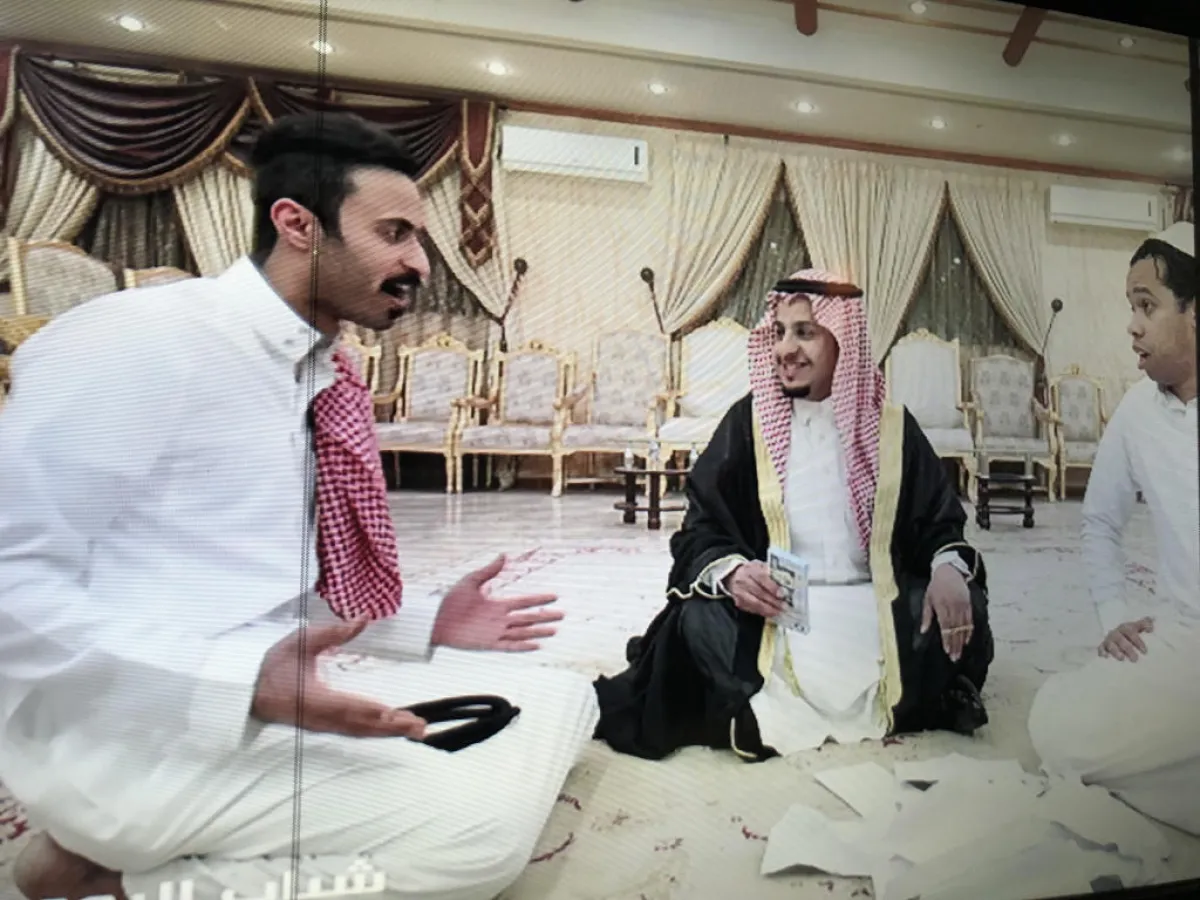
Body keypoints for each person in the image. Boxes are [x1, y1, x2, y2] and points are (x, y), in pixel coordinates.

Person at [0, 112, 598, 900]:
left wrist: (426, 623)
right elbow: (13, 583)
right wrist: (240, 681)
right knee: (479, 838)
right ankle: (113, 880)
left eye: (420, 239)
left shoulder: (313, 370)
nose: (420, 263)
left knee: (567, 697)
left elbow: (262, 574)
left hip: (242, 694)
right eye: (394, 234)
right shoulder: (139, 341)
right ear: (299, 225)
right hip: (129, 737)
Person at [593, 270, 994, 762]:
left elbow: (938, 522)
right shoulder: (749, 424)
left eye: (804, 332)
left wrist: (946, 568)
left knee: (964, 604)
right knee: (696, 621)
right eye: (779, 332)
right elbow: (702, 526)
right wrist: (734, 573)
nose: (785, 348)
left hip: (874, 607)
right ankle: (913, 700)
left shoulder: (891, 428)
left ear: (842, 339)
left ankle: (902, 691)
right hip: (774, 615)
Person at [1028, 221, 1199, 834]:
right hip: (1182, 637)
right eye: (1131, 307)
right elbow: (1099, 520)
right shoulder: (1137, 410)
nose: (1131, 325)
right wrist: (1114, 617)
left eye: (1147, 306)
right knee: (1055, 722)